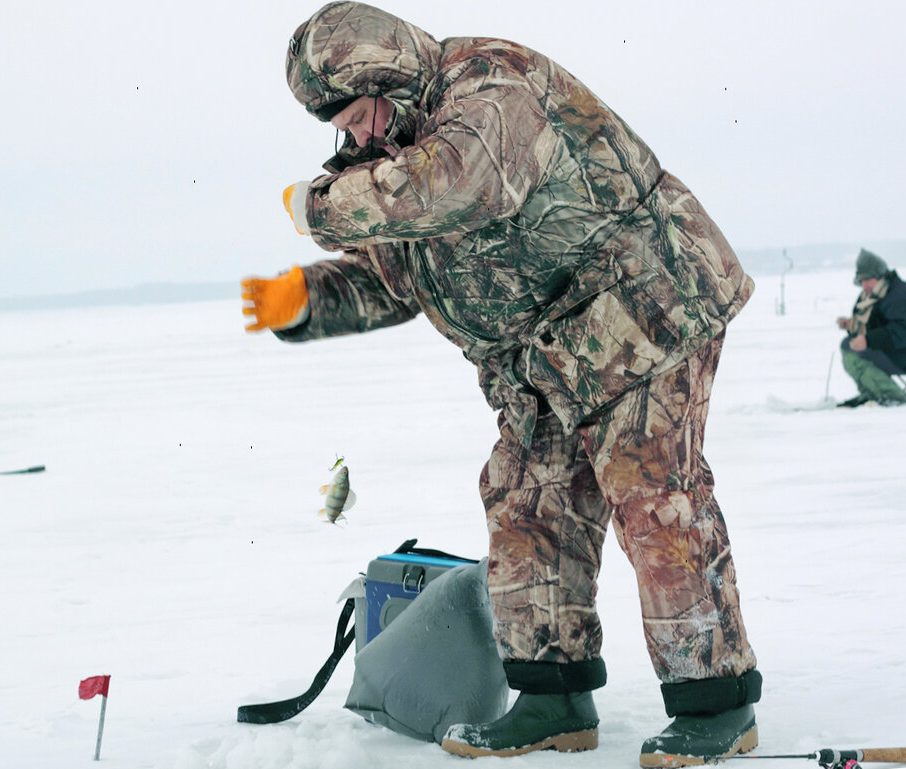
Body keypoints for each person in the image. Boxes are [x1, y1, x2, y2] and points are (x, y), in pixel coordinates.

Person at [242, 3, 761, 763]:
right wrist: (307, 299)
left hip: (645, 307)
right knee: (525, 501)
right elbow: (400, 276)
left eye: (357, 117)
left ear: (388, 78)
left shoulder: (491, 89)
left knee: (652, 494)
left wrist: (315, 206)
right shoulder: (398, 153)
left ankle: (716, 704)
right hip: (547, 357)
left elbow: (445, 186)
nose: (351, 138)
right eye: (342, 128)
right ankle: (553, 698)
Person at [835, 249, 906, 407]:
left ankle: (890, 395)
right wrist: (851, 325)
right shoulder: (871, 296)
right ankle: (870, 393)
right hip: (893, 350)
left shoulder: (899, 296)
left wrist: (868, 341)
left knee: (852, 352)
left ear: (880, 276)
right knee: (848, 344)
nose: (864, 285)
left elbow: (902, 334)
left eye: (868, 280)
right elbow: (871, 325)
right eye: (862, 281)